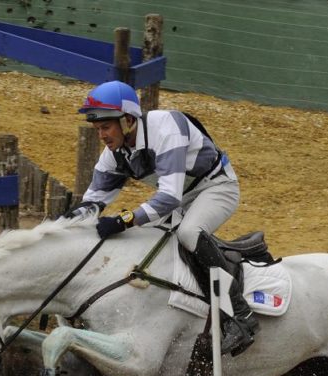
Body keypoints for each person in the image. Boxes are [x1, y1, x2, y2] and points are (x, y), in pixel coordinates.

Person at [70, 80, 258, 356]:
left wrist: (123, 219)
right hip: (180, 197)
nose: (102, 135)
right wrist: (67, 221)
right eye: (97, 128)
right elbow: (94, 200)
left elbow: (168, 198)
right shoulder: (114, 154)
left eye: (106, 127)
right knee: (145, 245)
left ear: (128, 121)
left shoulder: (165, 127)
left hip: (216, 187)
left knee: (189, 234)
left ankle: (239, 316)